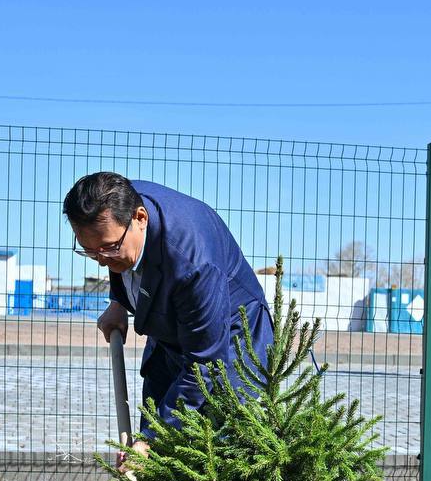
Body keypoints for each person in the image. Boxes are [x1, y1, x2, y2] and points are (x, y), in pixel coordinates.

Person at [62, 172, 273, 462]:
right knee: (157, 423)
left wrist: (151, 439)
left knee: (215, 448)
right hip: (170, 328)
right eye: (89, 251)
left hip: (231, 338)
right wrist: (118, 302)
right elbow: (111, 252)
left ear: (140, 218)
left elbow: (205, 363)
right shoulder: (111, 201)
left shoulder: (193, 262)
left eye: (109, 248)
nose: (101, 261)